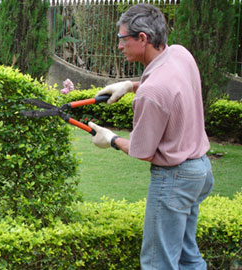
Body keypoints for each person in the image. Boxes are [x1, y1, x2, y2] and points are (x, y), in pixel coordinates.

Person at [87, 4, 214, 270]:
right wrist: (130, 85)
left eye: (122, 39)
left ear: (142, 38)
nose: (119, 46)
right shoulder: (180, 53)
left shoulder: (152, 93)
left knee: (158, 263)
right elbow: (169, 81)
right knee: (188, 256)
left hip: (175, 181)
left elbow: (143, 151)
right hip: (201, 171)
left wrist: (110, 139)